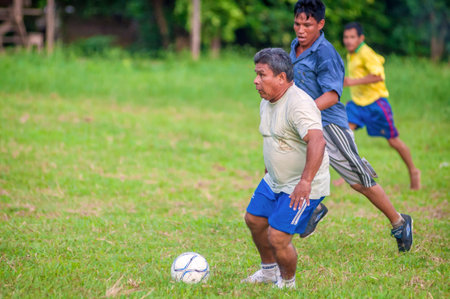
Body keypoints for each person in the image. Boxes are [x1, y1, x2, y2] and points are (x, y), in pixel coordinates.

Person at [289, 0, 413, 252]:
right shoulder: (295, 46)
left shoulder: (326, 54)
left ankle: (399, 222)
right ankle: (314, 207)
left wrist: (304, 111)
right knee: (287, 165)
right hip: (305, 123)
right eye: (297, 23)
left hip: (329, 125)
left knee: (358, 180)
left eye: (307, 25)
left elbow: (333, 95)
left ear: (320, 24)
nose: (300, 30)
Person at [242, 48, 330, 289]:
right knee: (254, 220)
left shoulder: (299, 104)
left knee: (278, 237)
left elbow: (317, 141)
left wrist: (305, 182)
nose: (256, 81)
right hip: (275, 180)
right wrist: (269, 169)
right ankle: (269, 272)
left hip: (302, 184)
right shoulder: (267, 100)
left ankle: (288, 283)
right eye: (256, 74)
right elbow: (274, 139)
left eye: (262, 75)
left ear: (281, 78)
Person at [341, 21, 421, 190]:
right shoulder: (352, 54)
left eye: (352, 37)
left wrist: (352, 82)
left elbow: (378, 76)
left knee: (393, 141)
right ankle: (348, 176)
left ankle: (414, 171)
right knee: (344, 136)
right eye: (346, 37)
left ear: (361, 38)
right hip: (357, 105)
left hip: (376, 105)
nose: (348, 40)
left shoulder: (365, 53)